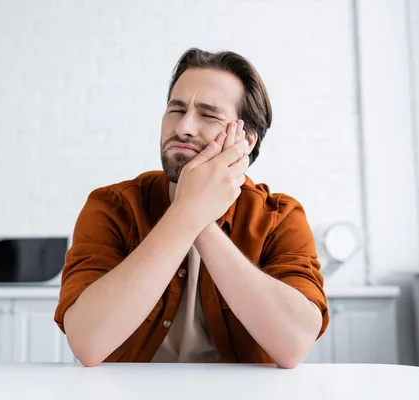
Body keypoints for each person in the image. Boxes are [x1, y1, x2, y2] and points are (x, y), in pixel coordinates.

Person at [54, 48, 329, 369]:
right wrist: (187, 211)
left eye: (209, 115)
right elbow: (88, 343)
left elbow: (293, 345)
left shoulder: (279, 217)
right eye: (176, 109)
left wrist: (198, 216)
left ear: (247, 142)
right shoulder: (112, 207)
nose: (183, 126)